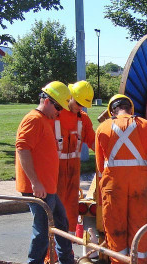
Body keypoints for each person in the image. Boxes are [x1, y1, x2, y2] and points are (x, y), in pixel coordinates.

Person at [95, 94, 147, 264]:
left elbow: (100, 165)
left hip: (112, 186)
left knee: (115, 230)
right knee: (140, 229)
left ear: (112, 111)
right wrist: (144, 172)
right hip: (140, 186)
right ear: (131, 109)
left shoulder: (103, 127)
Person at [15, 81, 76, 264]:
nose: (59, 113)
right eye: (57, 107)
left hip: (47, 187)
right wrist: (35, 182)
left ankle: (67, 263)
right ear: (47, 101)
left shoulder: (44, 119)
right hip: (39, 188)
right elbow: (22, 149)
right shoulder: (33, 119)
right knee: (42, 230)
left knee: (61, 221)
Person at [56, 80, 96, 233]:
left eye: (82, 105)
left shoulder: (83, 119)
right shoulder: (55, 115)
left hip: (72, 175)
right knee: (53, 214)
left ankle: (67, 251)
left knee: (71, 212)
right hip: (54, 174)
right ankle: (49, 255)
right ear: (69, 96)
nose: (80, 107)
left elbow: (94, 142)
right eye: (78, 103)